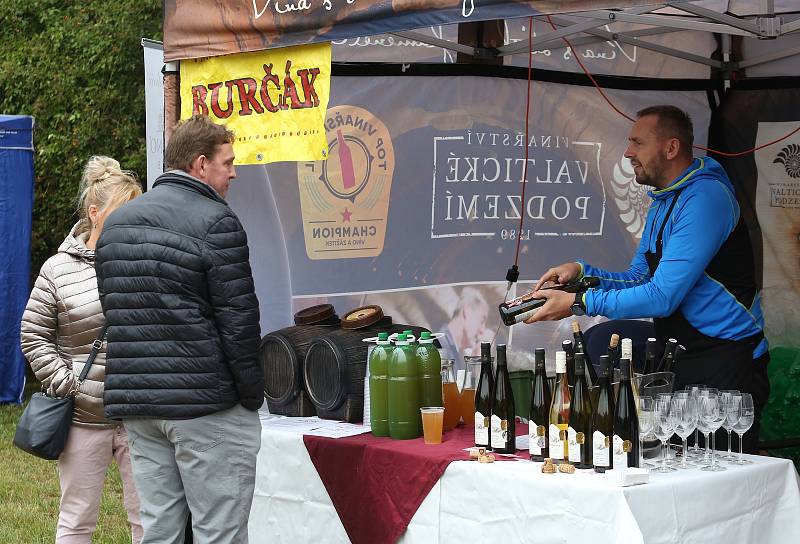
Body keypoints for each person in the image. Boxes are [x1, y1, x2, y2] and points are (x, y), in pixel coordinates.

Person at [527, 105, 769, 453]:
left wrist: (579, 303)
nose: (627, 152)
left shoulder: (706, 198)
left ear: (671, 148)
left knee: (719, 480)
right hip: (684, 353)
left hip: (727, 362)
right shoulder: (663, 200)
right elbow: (640, 278)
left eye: (637, 143)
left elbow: (663, 296)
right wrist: (583, 276)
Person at [94, 115, 265, 543]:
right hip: (205, 406)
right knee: (219, 533)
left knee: (159, 533)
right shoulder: (217, 221)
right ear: (200, 165)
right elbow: (239, 324)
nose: (233, 172)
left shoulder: (115, 226)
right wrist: (250, 397)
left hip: (139, 404)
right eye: (228, 162)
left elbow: (117, 312)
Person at [20, 156, 143, 543]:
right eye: (123, 214)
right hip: (82, 419)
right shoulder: (57, 269)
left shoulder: (143, 263)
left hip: (140, 418)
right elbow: (32, 333)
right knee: (76, 522)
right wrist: (67, 383)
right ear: (94, 213)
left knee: (152, 521)